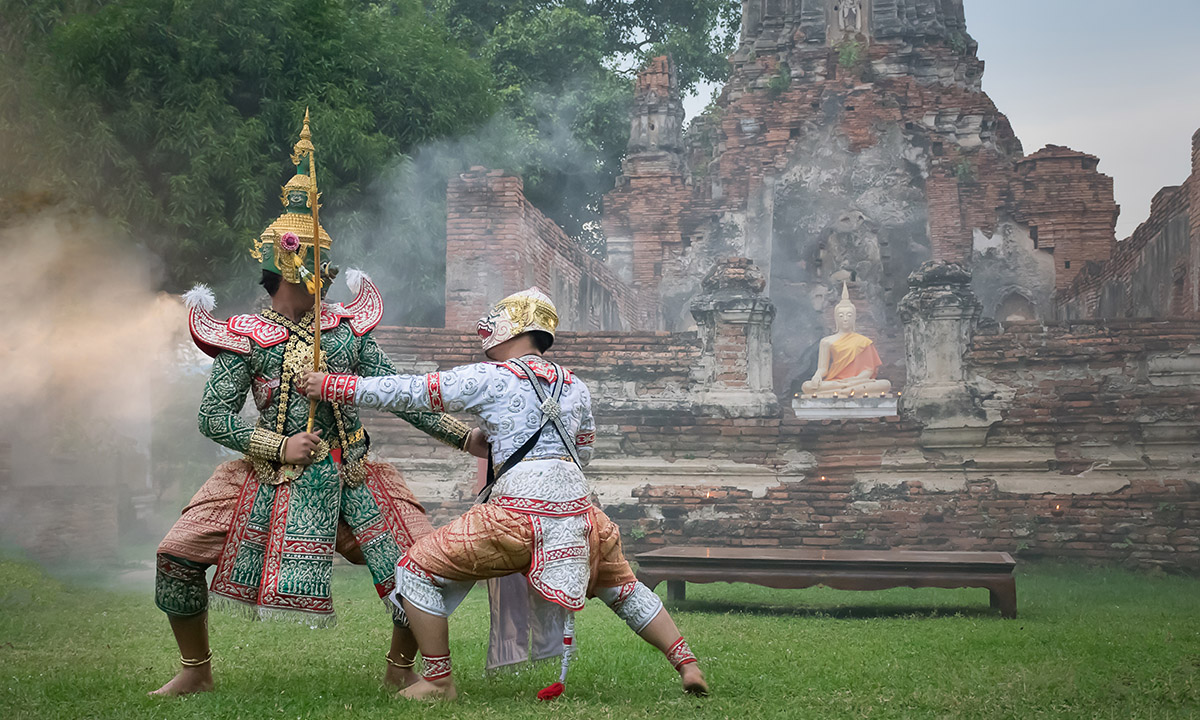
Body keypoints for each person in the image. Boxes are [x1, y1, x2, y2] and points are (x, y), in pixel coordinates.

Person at [152, 112, 485, 696]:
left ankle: (402, 671)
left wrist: (465, 436)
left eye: (325, 268)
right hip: (264, 476)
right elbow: (213, 418)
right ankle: (195, 671)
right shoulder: (246, 335)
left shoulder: (347, 334)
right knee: (175, 555)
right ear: (285, 267)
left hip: (352, 474)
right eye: (313, 266)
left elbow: (403, 397)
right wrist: (280, 444)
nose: (324, 280)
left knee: (420, 566)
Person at [303, 287, 709, 701]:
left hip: (513, 517)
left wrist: (332, 385)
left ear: (511, 329)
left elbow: (412, 392)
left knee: (415, 569)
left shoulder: (491, 377)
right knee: (621, 587)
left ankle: (439, 680)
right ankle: (687, 663)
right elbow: (581, 450)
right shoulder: (575, 386)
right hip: (582, 518)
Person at [801, 283, 892, 397]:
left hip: (857, 382)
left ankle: (847, 390)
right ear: (836, 319)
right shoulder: (827, 341)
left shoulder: (864, 342)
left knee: (885, 384)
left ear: (854, 318)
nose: (845, 319)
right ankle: (848, 390)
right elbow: (822, 368)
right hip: (835, 382)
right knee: (807, 386)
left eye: (849, 315)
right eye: (841, 315)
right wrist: (817, 376)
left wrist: (854, 380)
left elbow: (868, 370)